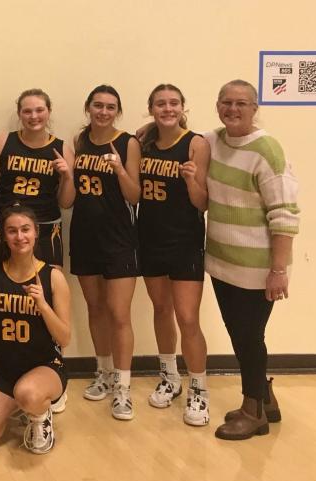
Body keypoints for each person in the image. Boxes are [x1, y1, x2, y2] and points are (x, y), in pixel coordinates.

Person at [205, 79, 298, 440]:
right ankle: (264, 396)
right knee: (241, 335)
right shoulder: (213, 141)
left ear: (255, 108)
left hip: (258, 269)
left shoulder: (268, 150)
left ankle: (253, 411)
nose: (233, 109)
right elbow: (175, 131)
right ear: (217, 106)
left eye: (241, 103)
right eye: (226, 102)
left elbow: (285, 217)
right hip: (223, 263)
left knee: (248, 336)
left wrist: (278, 271)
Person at [0, 206, 71, 454]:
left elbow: (64, 337)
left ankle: (40, 412)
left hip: (46, 366)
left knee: (28, 393)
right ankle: (16, 405)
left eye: (25, 230)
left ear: (36, 233)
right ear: (3, 235)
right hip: (4, 370)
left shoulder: (53, 277)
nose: (19, 237)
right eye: (12, 231)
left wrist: (43, 306)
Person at [137, 84, 211, 426]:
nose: (168, 108)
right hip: (149, 236)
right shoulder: (144, 141)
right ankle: (170, 376)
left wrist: (193, 180)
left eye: (174, 103)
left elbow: (202, 202)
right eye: (160, 103)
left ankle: (199, 388)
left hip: (184, 240)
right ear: (151, 108)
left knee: (188, 317)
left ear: (183, 107)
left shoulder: (195, 143)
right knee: (161, 309)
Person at [69, 85, 141, 420]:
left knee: (118, 313)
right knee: (95, 308)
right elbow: (68, 194)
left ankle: (124, 388)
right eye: (97, 105)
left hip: (119, 238)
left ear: (118, 111)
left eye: (110, 107)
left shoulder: (128, 143)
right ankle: (103, 373)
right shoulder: (78, 141)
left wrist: (119, 169)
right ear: (88, 107)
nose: (103, 111)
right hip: (84, 235)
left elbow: (134, 195)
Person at [0, 89, 75, 267]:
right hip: (8, 225)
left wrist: (66, 176)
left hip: (45, 225)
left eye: (39, 110)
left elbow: (66, 203)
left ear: (49, 111)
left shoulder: (62, 148)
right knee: (5, 284)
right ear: (19, 114)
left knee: (48, 284)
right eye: (27, 111)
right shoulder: (4, 141)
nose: (33, 116)